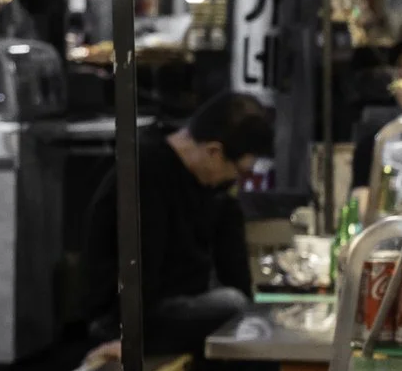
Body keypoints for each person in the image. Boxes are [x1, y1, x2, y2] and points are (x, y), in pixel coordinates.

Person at [84, 90, 274, 357]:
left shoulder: (211, 184)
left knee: (249, 318)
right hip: (127, 316)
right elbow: (138, 271)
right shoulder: (145, 172)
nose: (237, 181)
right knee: (232, 306)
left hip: (176, 305)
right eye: (239, 171)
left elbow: (232, 261)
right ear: (214, 152)